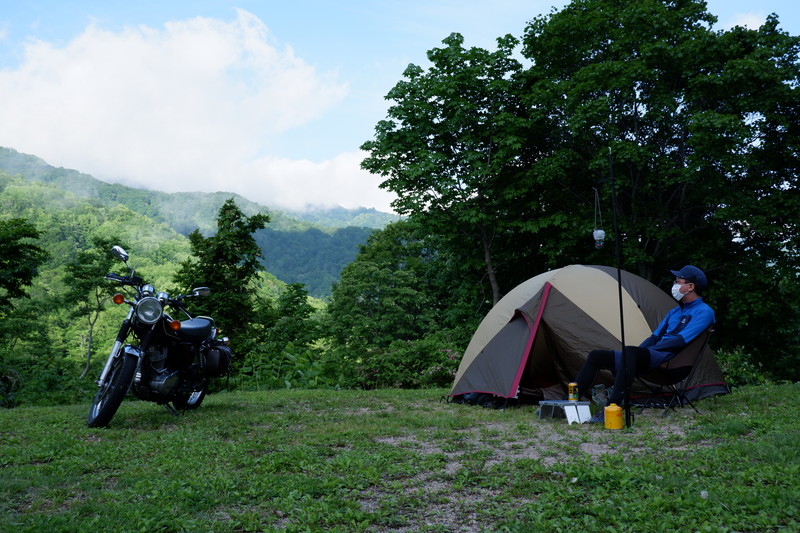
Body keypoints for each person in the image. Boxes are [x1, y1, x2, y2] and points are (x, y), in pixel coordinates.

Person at [574, 265, 716, 423]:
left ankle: (612, 407)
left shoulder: (704, 312)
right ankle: (570, 403)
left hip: (671, 362)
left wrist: (637, 354)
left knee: (630, 353)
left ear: (690, 286)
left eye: (678, 281)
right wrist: (636, 353)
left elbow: (680, 341)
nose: (674, 285)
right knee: (596, 356)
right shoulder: (674, 312)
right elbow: (654, 338)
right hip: (655, 356)